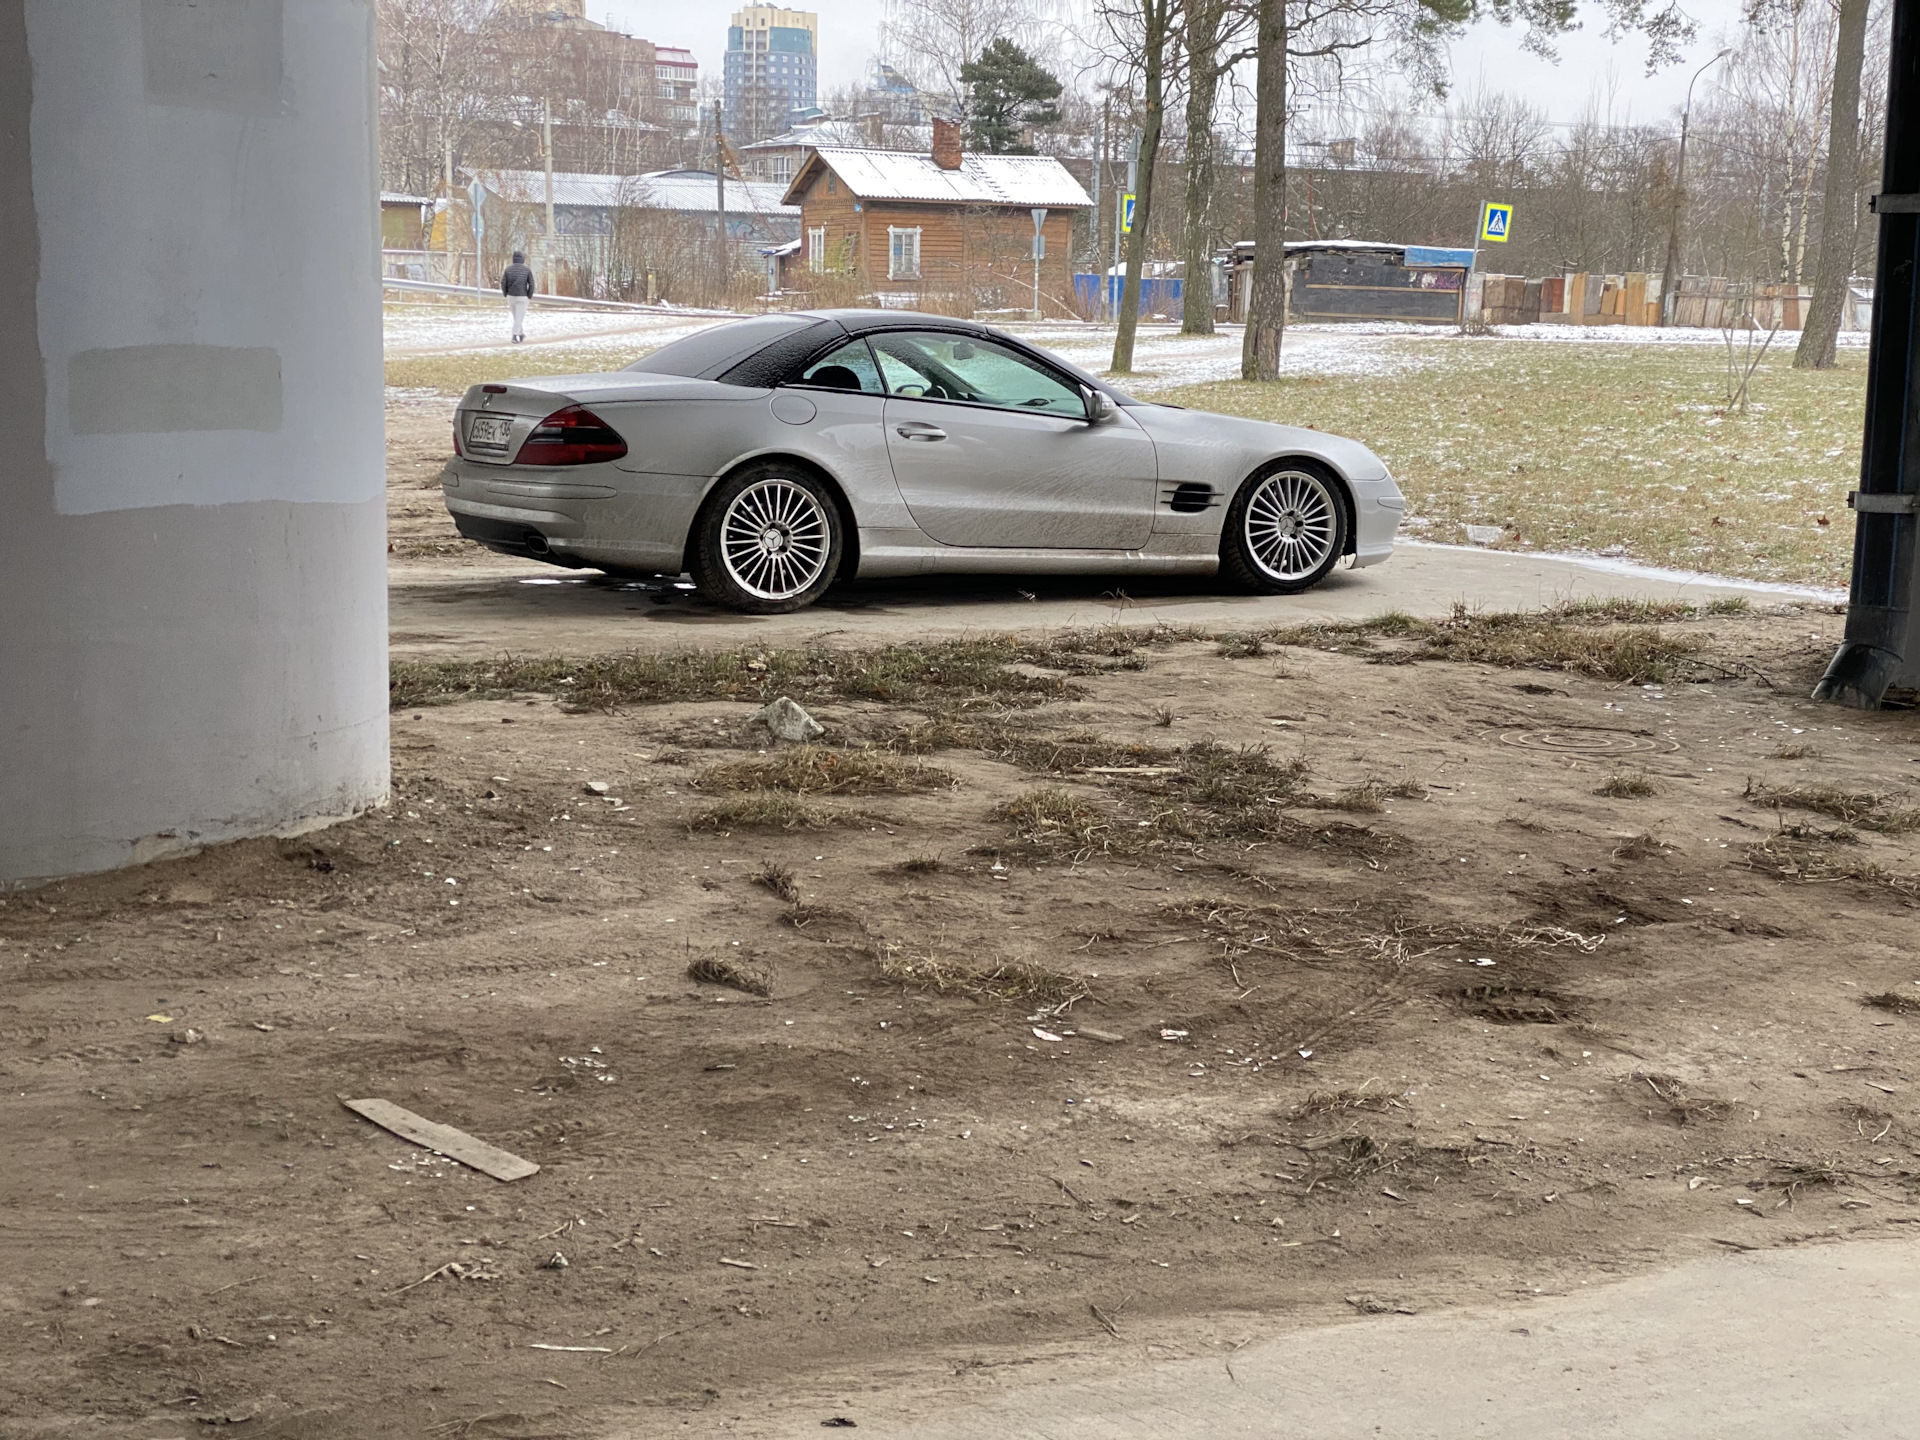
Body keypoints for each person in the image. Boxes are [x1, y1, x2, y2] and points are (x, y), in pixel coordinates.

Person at [501, 251, 535, 343]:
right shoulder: (527, 270)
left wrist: (505, 293)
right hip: (522, 296)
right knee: (519, 317)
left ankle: (521, 334)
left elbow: (503, 283)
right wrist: (529, 295)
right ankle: (514, 336)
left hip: (511, 296)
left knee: (516, 317)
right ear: (522, 259)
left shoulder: (508, 269)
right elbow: (531, 284)